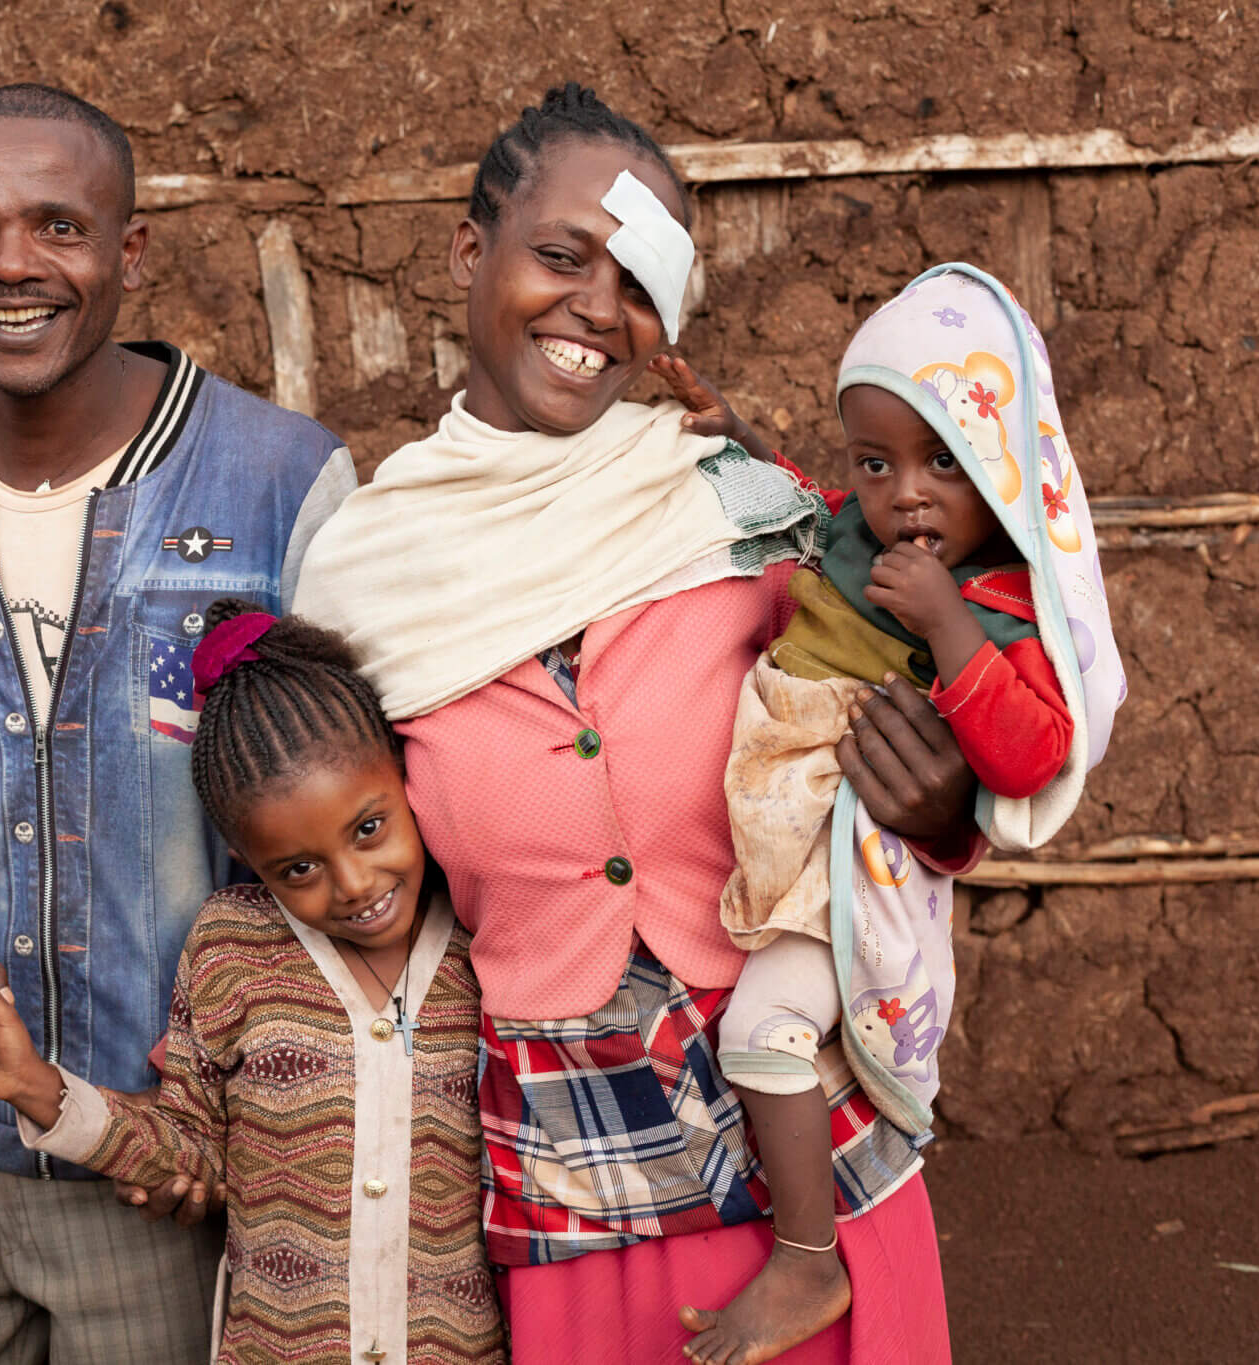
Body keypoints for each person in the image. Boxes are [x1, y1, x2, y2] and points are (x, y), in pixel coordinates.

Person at [292, 84, 968, 1364]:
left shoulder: (735, 508)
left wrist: (945, 817)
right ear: (465, 251)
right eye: (558, 256)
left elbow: (912, 707)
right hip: (575, 1169)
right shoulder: (360, 579)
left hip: (808, 1153)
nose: (595, 308)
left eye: (636, 284)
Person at [0, 84, 356, 1363]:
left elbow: (363, 812)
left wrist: (272, 1110)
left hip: (171, 1151)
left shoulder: (279, 481)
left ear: (130, 250)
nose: (10, 264)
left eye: (57, 225)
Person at [701, 264, 1121, 1364]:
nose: (905, 495)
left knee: (760, 1036)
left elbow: (1030, 754)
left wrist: (947, 631)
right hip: (770, 830)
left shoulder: (999, 609)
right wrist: (736, 435)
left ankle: (806, 1258)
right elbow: (805, 508)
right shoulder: (860, 534)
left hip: (833, 862)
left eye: (946, 461)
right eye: (876, 462)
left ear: (1006, 470)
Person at [0, 599, 504, 1364]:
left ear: (405, 778)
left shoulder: (487, 939)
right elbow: (196, 1154)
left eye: (369, 827)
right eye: (298, 869)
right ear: (250, 859)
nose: (351, 883)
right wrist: (35, 1085)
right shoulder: (231, 947)